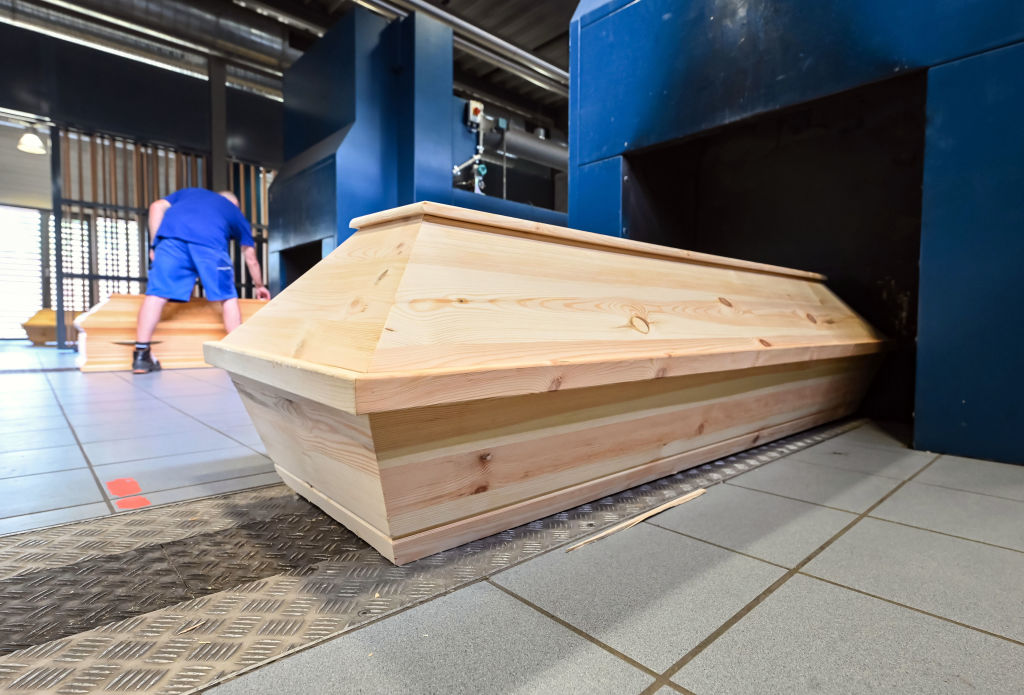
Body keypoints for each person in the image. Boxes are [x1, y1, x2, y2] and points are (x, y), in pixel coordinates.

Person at [133, 188, 271, 374]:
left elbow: (156, 206)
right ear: (233, 204)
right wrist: (260, 286)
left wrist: (154, 244)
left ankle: (141, 355)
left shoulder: (190, 193)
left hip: (171, 242)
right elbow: (250, 256)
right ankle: (238, 354)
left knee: (157, 294)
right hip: (211, 246)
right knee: (227, 297)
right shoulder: (234, 211)